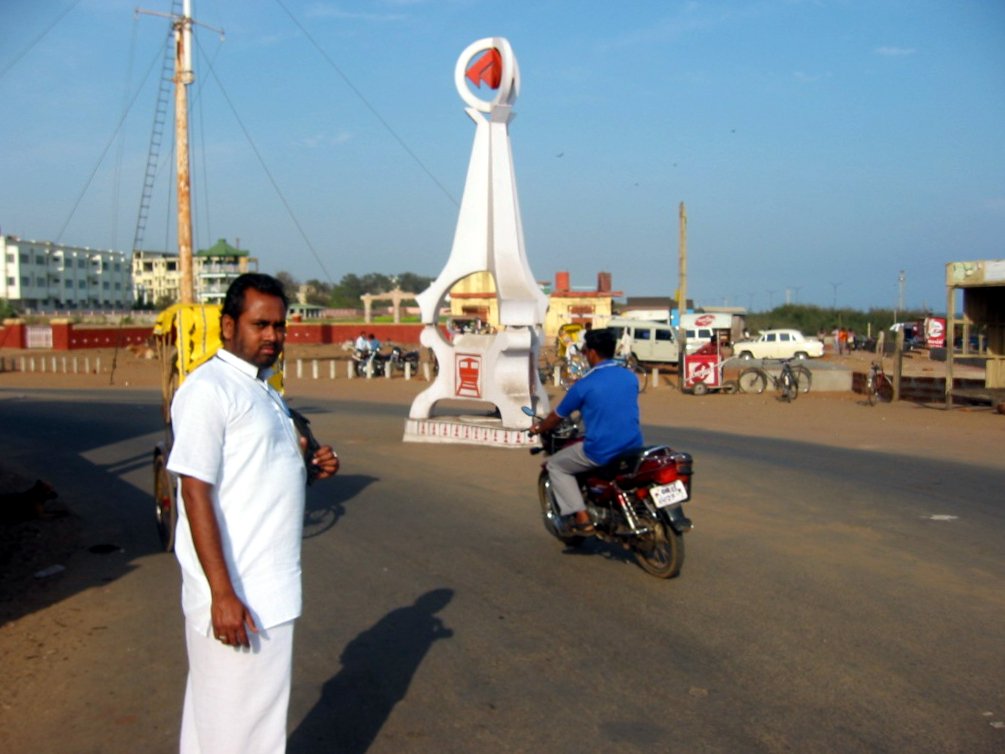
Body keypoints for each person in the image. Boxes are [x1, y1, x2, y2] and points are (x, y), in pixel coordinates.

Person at [167, 273, 340, 754]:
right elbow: (194, 492)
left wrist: (310, 466)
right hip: (240, 597)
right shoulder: (209, 390)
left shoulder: (263, 390)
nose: (272, 337)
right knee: (246, 734)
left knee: (216, 726)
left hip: (266, 591)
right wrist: (223, 594)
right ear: (228, 326)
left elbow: (257, 472)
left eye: (279, 327)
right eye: (260, 324)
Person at [529, 328, 643, 534]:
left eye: (585, 351)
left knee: (556, 466)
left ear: (591, 352)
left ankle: (582, 517)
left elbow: (557, 416)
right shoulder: (630, 377)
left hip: (600, 449)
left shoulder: (584, 385)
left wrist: (539, 427)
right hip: (633, 445)